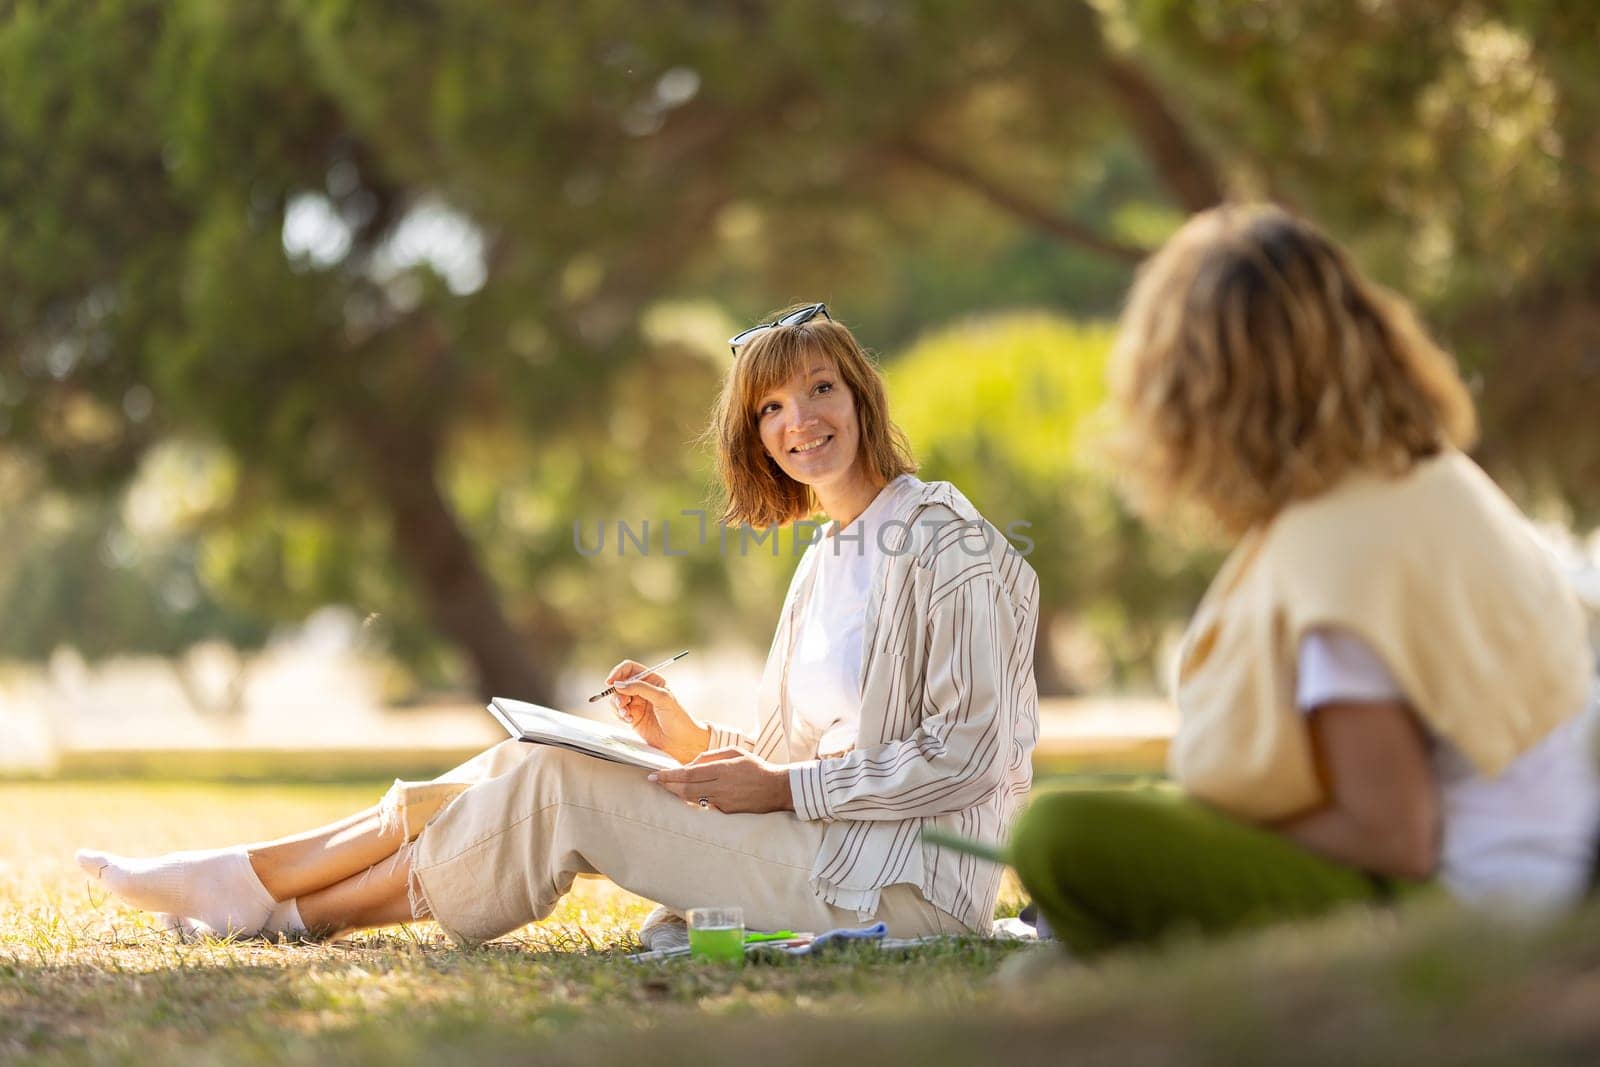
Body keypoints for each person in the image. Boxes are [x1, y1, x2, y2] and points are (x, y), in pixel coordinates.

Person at [76, 303, 1039, 943]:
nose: (800, 421)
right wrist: (693, 740)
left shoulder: (947, 544)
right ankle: (260, 889)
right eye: (772, 407)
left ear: (861, 397)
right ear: (756, 436)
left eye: (821, 389)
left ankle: (269, 903)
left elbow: (969, 753)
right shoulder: (827, 560)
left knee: (551, 786)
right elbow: (788, 760)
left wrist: (780, 783)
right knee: (522, 760)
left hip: (906, 889)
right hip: (830, 851)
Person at [1011, 205, 1599, 955]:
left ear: (1200, 395)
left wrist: (1213, 831)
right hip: (1540, 867)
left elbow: (1394, 833)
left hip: (1459, 904)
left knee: (1057, 831)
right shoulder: (1428, 479)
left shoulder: (1338, 561)